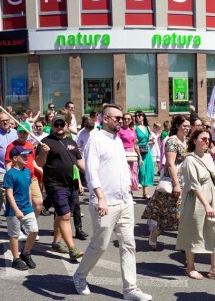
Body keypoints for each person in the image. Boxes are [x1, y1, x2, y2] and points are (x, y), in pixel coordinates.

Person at [74, 104, 153, 301]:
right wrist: (100, 198)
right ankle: (80, 276)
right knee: (99, 245)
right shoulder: (96, 139)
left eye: (121, 118)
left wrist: (127, 190)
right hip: (105, 202)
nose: (121, 121)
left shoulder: (118, 140)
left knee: (129, 245)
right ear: (105, 119)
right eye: (116, 118)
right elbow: (91, 171)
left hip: (124, 201)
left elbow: (121, 167)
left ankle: (130, 289)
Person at [176, 129, 215, 281]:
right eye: (203, 139)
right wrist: (206, 205)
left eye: (208, 139)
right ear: (194, 141)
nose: (207, 142)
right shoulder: (189, 160)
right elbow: (194, 185)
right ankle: (190, 267)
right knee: (194, 232)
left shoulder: (209, 157)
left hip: (212, 197)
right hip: (196, 200)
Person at [36, 113, 86, 261]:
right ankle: (72, 249)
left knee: (62, 214)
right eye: (56, 124)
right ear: (52, 126)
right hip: (55, 185)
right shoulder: (45, 142)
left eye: (61, 124)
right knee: (64, 216)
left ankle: (56, 243)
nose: (59, 127)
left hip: (71, 184)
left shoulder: (72, 142)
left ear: (66, 125)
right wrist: (43, 153)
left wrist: (90, 175)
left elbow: (79, 162)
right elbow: (39, 163)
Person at [142, 115, 190, 250]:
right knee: (169, 214)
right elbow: (170, 163)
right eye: (184, 126)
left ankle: (184, 244)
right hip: (174, 181)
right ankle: (155, 233)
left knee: (184, 214)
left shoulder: (186, 141)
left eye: (188, 126)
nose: (187, 128)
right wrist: (176, 184)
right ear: (177, 126)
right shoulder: (172, 141)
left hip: (186, 181)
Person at [3, 146, 39, 271]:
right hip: (13, 210)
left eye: (27, 155)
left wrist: (30, 204)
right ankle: (16, 259)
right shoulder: (10, 174)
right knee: (15, 235)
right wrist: (16, 210)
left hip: (27, 208)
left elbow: (28, 188)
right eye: (23, 155)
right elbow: (9, 194)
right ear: (14, 158)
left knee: (34, 231)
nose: (26, 157)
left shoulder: (27, 171)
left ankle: (26, 252)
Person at [4, 122, 43, 218]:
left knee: (38, 203)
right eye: (20, 132)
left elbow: (32, 161)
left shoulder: (31, 145)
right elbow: (8, 163)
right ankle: (22, 224)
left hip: (31, 177)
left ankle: (31, 224)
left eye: (25, 132)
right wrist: (11, 178)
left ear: (29, 133)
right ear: (17, 133)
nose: (22, 135)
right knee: (23, 204)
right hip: (18, 179)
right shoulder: (11, 146)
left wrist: (40, 169)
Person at [118, 113, 141, 193]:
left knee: (133, 174)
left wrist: (140, 158)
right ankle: (127, 193)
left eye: (128, 119)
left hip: (133, 154)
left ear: (131, 120)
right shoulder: (119, 130)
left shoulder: (132, 131)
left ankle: (130, 192)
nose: (126, 120)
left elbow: (135, 145)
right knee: (125, 174)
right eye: (125, 119)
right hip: (123, 153)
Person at [134, 110, 154, 199]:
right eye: (136, 116)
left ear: (143, 117)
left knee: (147, 170)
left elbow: (151, 137)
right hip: (138, 150)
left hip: (147, 150)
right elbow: (133, 139)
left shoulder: (147, 127)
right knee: (141, 170)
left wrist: (151, 140)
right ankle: (135, 187)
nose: (138, 117)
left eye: (139, 115)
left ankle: (145, 193)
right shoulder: (134, 127)